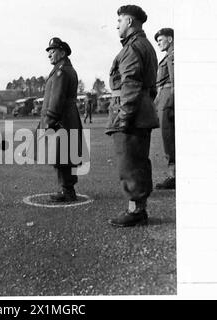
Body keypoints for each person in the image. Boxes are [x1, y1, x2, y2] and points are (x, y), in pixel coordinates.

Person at [106, 5, 159, 227]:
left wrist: (124, 117)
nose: (117, 25)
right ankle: (139, 209)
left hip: (131, 112)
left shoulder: (132, 48)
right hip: (142, 110)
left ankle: (136, 211)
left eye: (119, 21)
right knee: (138, 160)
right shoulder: (145, 46)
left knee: (129, 162)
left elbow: (130, 84)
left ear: (129, 21)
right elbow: (151, 88)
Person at [39, 37, 83, 202]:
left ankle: (67, 190)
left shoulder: (61, 71)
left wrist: (50, 119)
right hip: (67, 116)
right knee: (66, 154)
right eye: (49, 51)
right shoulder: (65, 69)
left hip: (61, 118)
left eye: (53, 51)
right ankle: (68, 189)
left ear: (62, 53)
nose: (49, 54)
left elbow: (56, 98)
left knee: (61, 154)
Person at [154, 28, 175, 190]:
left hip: (168, 99)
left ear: (170, 39)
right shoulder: (168, 56)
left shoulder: (172, 55)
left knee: (168, 137)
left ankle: (173, 176)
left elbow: (175, 82)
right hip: (164, 97)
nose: (159, 43)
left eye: (161, 40)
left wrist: (171, 103)